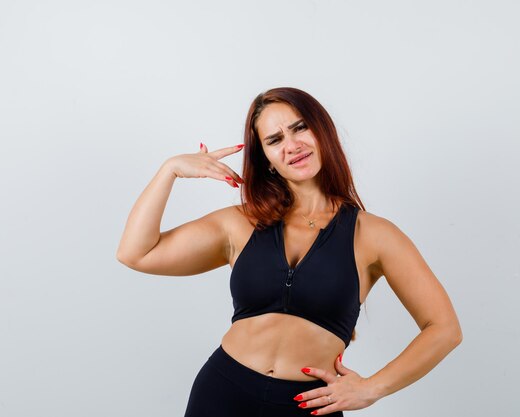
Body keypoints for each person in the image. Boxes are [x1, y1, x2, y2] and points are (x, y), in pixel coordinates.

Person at [116, 87, 463, 416]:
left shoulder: (374, 234)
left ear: (322, 132)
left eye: (300, 128)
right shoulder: (240, 223)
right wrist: (170, 170)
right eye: (275, 139)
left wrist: (372, 388)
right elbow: (137, 253)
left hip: (309, 407)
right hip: (223, 395)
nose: (292, 145)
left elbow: (444, 328)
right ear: (266, 158)